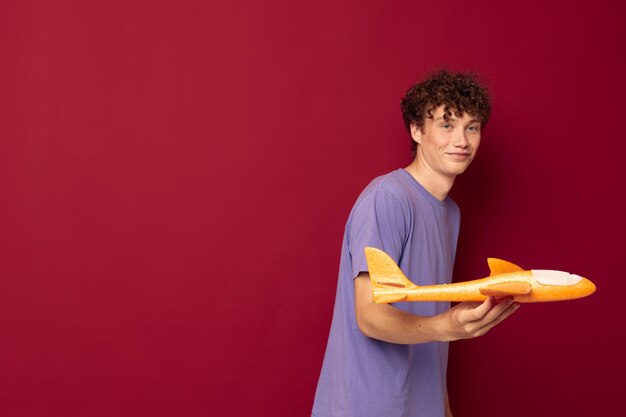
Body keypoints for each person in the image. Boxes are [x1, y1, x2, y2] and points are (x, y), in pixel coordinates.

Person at [312, 70, 520, 417]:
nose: (462, 141)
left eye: (472, 127)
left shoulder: (450, 214)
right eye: (446, 124)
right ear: (416, 130)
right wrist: (448, 326)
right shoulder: (388, 198)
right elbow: (370, 316)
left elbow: (428, 326)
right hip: (367, 407)